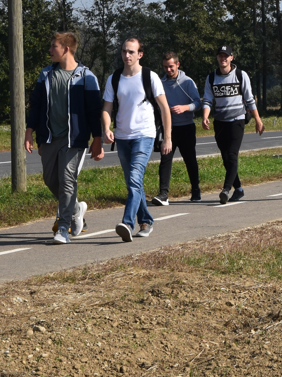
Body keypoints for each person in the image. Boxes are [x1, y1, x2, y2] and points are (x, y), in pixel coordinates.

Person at [25, 32, 103, 244]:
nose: (50, 50)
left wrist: (97, 139)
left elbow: (94, 111)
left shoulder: (86, 76)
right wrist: (30, 131)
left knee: (67, 180)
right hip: (49, 137)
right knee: (50, 179)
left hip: (74, 139)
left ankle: (63, 228)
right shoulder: (46, 74)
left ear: (66, 49)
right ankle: (76, 208)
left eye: (54, 46)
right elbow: (36, 105)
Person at [102, 37, 172, 242]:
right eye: (124, 51)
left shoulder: (150, 76)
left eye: (131, 52)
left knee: (134, 179)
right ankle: (146, 221)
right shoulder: (114, 78)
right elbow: (106, 108)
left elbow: (165, 109)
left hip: (144, 135)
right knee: (134, 183)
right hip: (122, 137)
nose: (127, 55)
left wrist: (167, 138)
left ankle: (127, 223)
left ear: (140, 54)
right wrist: (106, 128)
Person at [201, 45, 265, 204]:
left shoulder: (241, 75)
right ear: (217, 58)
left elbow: (250, 99)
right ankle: (239, 189)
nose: (223, 58)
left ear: (231, 58)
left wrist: (258, 120)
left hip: (237, 120)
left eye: (226, 56)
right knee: (226, 158)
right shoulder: (211, 78)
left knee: (232, 154)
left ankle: (226, 189)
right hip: (220, 122)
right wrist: (205, 116)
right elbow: (207, 99)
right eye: (220, 56)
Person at [155, 52, 202, 205]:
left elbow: (198, 103)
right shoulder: (160, 83)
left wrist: (185, 108)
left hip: (186, 127)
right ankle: (163, 194)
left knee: (190, 159)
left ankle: (196, 190)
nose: (168, 70)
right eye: (165, 67)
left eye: (171, 67)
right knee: (165, 159)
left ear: (177, 65)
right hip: (169, 129)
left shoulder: (187, 82)